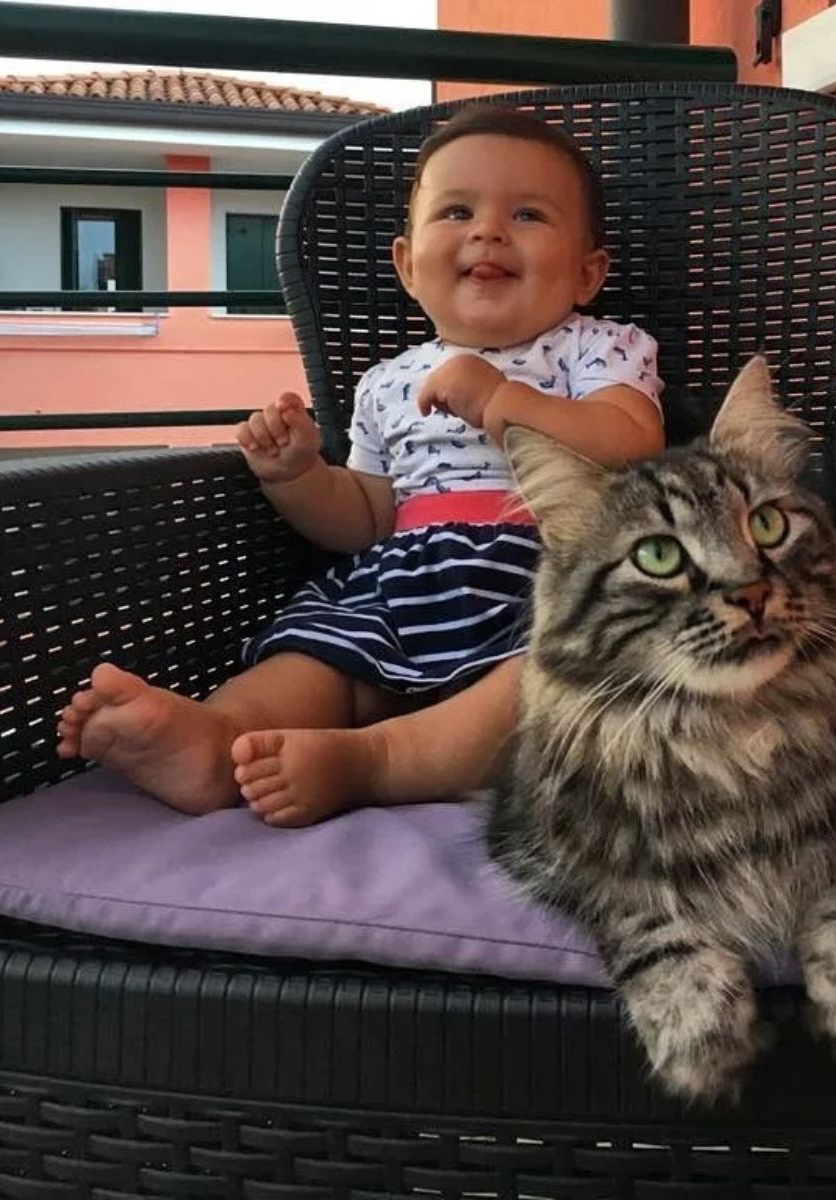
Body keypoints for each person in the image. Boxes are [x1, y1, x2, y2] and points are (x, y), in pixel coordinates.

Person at [56, 106, 665, 828]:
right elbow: (369, 517)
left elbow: (632, 446)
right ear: (408, 265)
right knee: (317, 662)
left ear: (588, 272)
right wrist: (296, 477)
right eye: (458, 210)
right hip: (402, 588)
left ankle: (375, 763)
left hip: (546, 581)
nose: (488, 230)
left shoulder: (597, 347)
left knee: (551, 683)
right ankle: (215, 742)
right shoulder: (386, 381)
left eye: (528, 214)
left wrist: (501, 399)